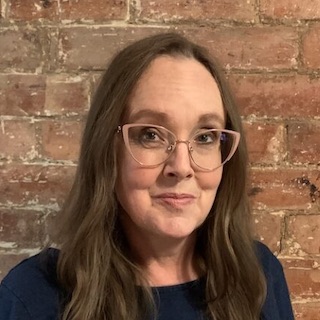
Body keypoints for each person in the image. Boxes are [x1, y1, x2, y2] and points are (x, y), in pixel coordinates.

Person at [0, 33, 294, 320]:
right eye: (150, 134)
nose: (181, 166)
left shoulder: (258, 274)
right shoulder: (34, 296)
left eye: (205, 137)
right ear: (106, 149)